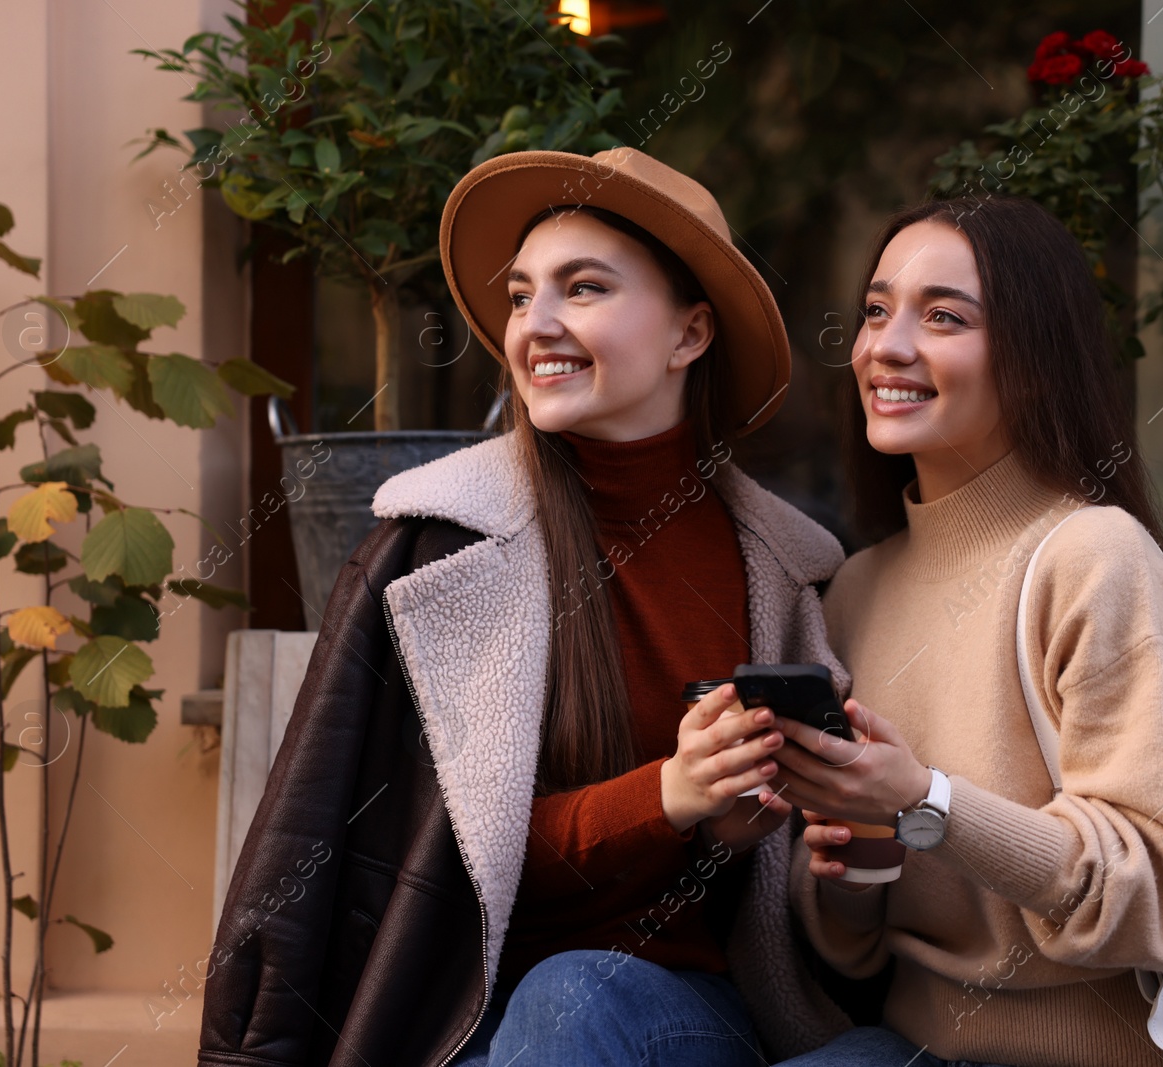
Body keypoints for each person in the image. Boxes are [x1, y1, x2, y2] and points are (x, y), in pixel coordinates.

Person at [197, 147, 854, 1067]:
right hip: (443, 1020)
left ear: (690, 334)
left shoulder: (788, 571)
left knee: (578, 998)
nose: (534, 325)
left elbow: (804, 904)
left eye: (582, 289)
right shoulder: (434, 546)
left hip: (688, 1016)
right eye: (519, 296)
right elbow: (396, 861)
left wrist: (737, 831)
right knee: (557, 1001)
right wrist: (664, 796)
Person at [770, 196, 1163, 1067]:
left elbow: (1160, 893)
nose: (888, 345)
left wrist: (926, 802)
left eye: (943, 316)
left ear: (1035, 359)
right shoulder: (856, 588)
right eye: (877, 310)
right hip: (906, 1043)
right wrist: (857, 849)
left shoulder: (1093, 557)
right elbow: (854, 945)